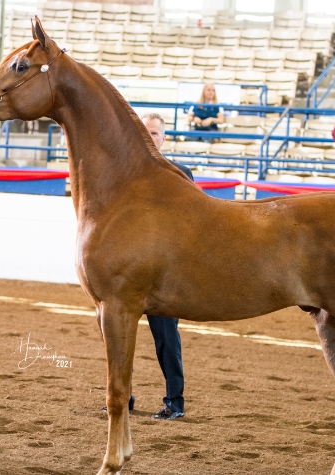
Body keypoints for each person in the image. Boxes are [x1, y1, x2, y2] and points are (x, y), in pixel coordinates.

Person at [139, 112, 191, 420]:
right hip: (129, 273)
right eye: (145, 133)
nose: (150, 138)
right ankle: (122, 397)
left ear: (164, 138)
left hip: (164, 276)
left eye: (155, 134)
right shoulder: (123, 173)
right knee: (117, 337)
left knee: (167, 338)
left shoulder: (180, 173)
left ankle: (175, 402)